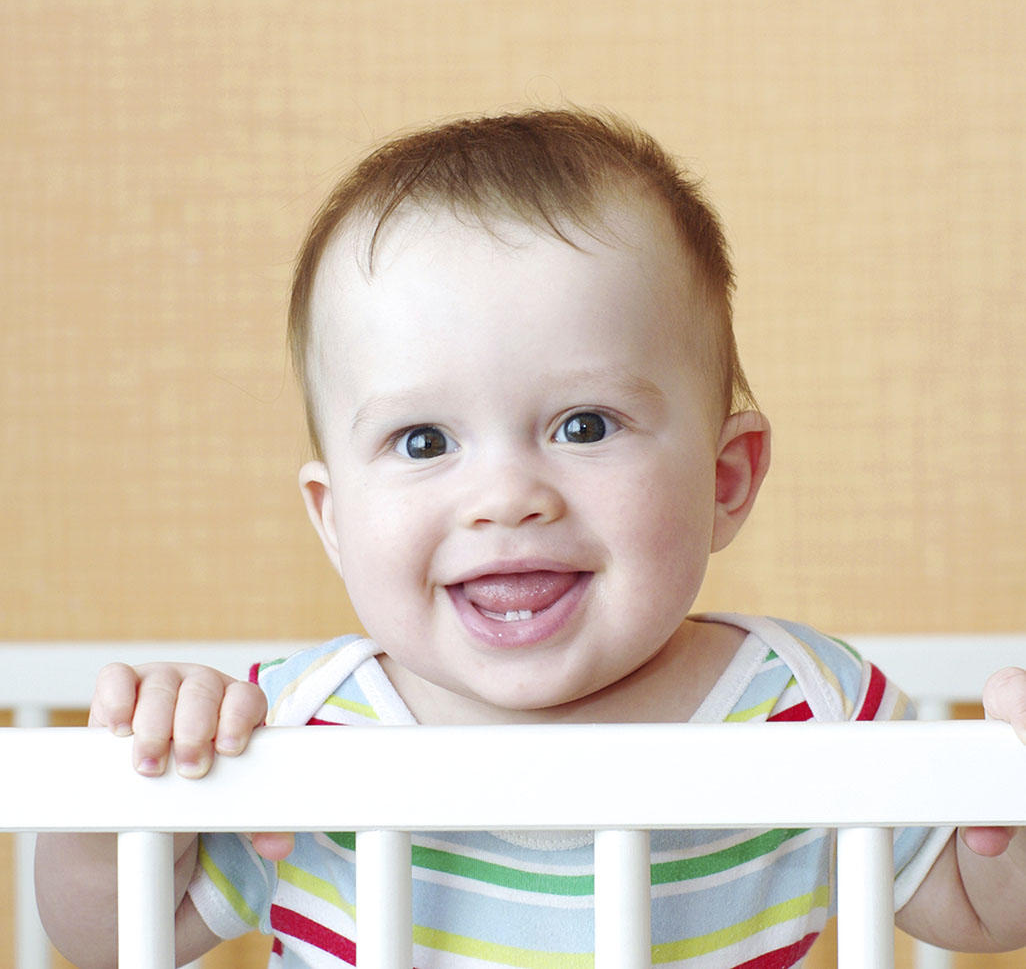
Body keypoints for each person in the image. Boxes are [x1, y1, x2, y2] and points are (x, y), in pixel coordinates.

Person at [36, 108, 1026, 968]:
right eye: (423, 441)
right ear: (335, 521)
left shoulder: (806, 705)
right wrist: (124, 782)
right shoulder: (291, 723)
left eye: (584, 426)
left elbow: (982, 907)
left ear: (724, 480)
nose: (506, 498)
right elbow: (113, 938)